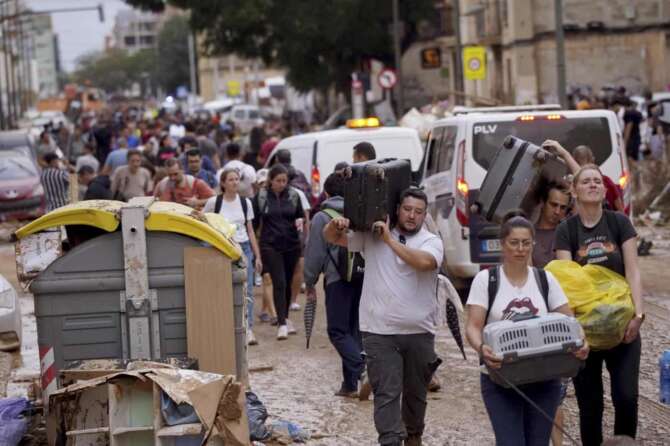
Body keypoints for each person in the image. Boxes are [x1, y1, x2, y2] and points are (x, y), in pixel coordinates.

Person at [323, 188, 443, 446]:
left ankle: (413, 437)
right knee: (386, 394)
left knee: (415, 398)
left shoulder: (430, 241)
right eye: (407, 209)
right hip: (378, 332)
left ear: (425, 215)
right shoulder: (371, 235)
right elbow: (332, 238)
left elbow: (423, 263)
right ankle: (389, 441)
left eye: (418, 212)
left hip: (419, 333)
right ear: (397, 208)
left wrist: (389, 240)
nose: (412, 216)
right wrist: (336, 225)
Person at [465, 213, 589, 446]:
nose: (520, 249)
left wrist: (583, 341)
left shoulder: (546, 279)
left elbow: (570, 320)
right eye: (514, 242)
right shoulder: (486, 280)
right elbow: (473, 326)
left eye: (526, 243)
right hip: (501, 378)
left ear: (533, 244)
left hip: (544, 377)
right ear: (502, 244)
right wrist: (482, 348)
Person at [555, 164, 643, 446]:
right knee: (590, 405)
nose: (592, 184)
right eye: (586, 181)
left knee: (626, 397)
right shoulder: (566, 230)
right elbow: (566, 283)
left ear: (604, 190)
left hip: (623, 329)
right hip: (586, 334)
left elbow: (633, 271)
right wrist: (574, 331)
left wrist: (638, 315)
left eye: (597, 181)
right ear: (575, 190)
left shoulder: (619, 223)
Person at [304, 172, 364, 398]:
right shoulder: (358, 211)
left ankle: (362, 368)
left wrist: (310, 281)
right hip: (362, 277)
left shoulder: (323, 216)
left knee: (337, 331)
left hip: (337, 280)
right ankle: (350, 385)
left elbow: (314, 255)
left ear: (326, 193)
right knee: (354, 330)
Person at [204, 168, 262, 345]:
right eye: (231, 179)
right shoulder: (215, 202)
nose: (235, 182)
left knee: (248, 288)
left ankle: (248, 328)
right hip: (223, 248)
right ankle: (226, 327)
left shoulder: (246, 203)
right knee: (223, 288)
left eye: (237, 179)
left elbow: (250, 230)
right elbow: (206, 223)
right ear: (223, 183)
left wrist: (257, 256)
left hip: (243, 247)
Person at [253, 164, 305, 340]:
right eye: (278, 181)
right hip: (270, 245)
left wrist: (301, 237)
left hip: (291, 245)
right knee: (279, 282)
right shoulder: (261, 197)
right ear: (271, 181)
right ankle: (281, 323)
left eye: (285, 180)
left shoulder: (293, 195)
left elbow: (300, 217)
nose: (282, 184)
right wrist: (257, 252)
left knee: (289, 282)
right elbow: (254, 224)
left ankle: (286, 318)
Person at [543, 140, 624, 213]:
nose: (593, 184)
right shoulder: (568, 185)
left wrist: (564, 154)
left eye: (597, 181)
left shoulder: (604, 181)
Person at [533, 183, 571, 268]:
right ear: (542, 203)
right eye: (554, 205)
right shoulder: (527, 234)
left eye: (563, 207)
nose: (557, 211)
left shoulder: (568, 235)